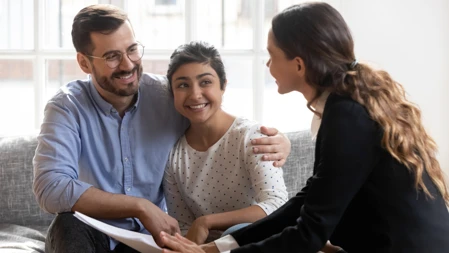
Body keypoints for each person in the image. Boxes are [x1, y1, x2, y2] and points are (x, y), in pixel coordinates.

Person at [159, 2, 449, 253]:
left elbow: (309, 233)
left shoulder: (347, 115)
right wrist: (218, 246)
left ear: (298, 64)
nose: (268, 64)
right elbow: (307, 200)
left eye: (272, 55)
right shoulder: (343, 106)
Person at [32, 4, 291, 253]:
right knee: (67, 224)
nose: (127, 64)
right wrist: (139, 206)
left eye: (132, 49)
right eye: (111, 57)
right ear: (85, 63)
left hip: (152, 240)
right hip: (93, 232)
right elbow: (51, 187)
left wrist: (279, 140)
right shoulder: (66, 107)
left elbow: (212, 116)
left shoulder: (168, 97)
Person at [163, 41, 289, 245]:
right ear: (172, 93)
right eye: (183, 85)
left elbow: (277, 205)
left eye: (205, 82)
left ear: (223, 86)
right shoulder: (174, 157)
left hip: (258, 244)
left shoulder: (250, 137)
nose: (195, 94)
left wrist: (207, 222)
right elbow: (185, 227)